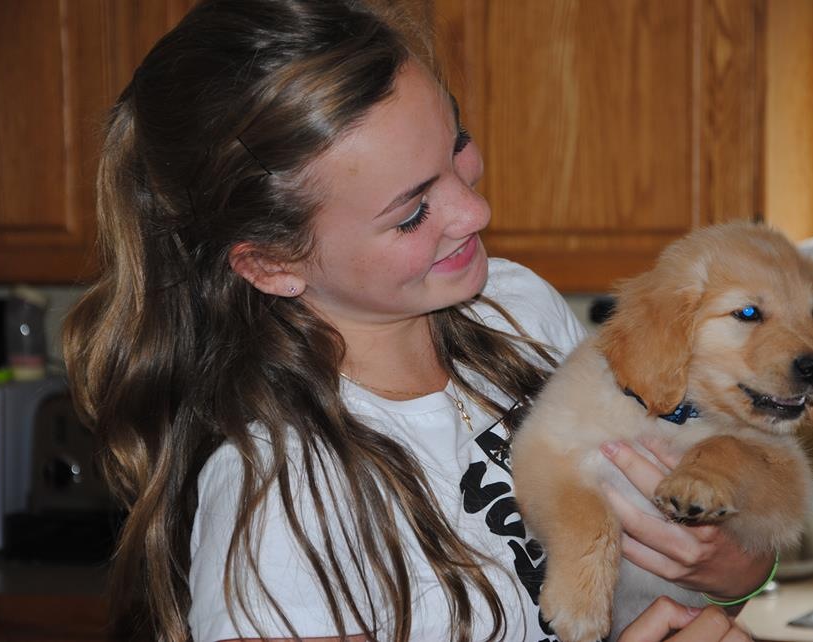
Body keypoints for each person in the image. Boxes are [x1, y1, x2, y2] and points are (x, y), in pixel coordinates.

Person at [62, 1, 770, 640]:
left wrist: (734, 570)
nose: (474, 211)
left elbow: (676, 565)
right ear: (273, 263)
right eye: (411, 213)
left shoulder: (519, 308)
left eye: (457, 144)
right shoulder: (279, 501)